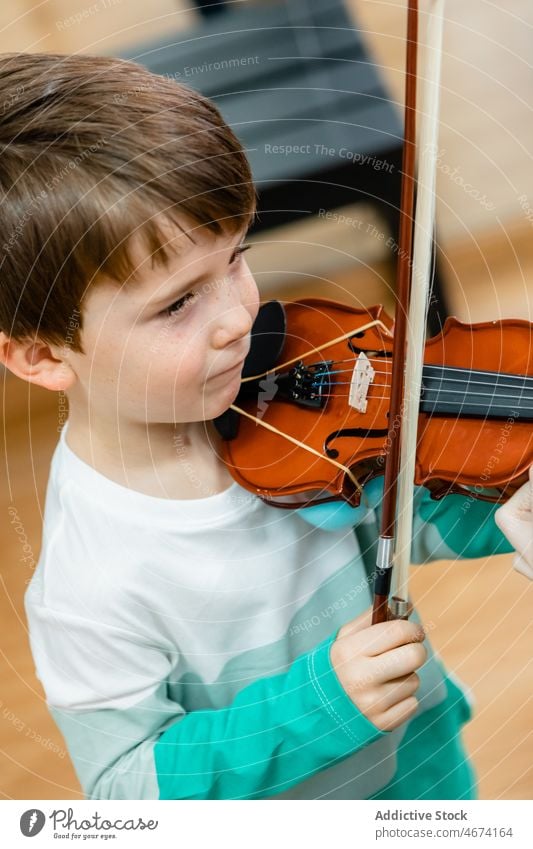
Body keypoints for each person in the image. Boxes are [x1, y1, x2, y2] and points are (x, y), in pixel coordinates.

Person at [0, 52, 529, 801]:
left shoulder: (293, 421)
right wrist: (321, 703)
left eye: (237, 258)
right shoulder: (91, 585)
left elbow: (412, 514)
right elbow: (126, 791)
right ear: (41, 356)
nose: (239, 317)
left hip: (420, 772)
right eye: (179, 303)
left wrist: (507, 491)